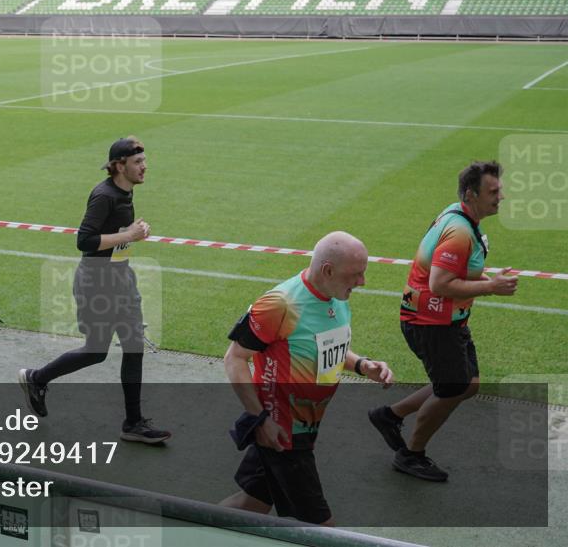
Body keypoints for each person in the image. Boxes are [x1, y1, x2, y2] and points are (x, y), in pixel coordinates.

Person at [221, 231, 394, 525]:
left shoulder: (336, 296)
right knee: (321, 530)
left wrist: (362, 365)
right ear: (328, 270)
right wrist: (260, 420)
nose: (362, 281)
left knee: (251, 503)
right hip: (282, 434)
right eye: (356, 274)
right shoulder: (280, 304)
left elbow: (321, 345)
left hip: (304, 427)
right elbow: (235, 358)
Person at [368, 161, 517, 483]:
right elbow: (439, 283)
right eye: (493, 191)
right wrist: (491, 287)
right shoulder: (459, 232)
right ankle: (411, 455)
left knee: (468, 384)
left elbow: (457, 269)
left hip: (448, 320)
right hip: (430, 323)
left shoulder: (460, 215)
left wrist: (488, 279)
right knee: (451, 388)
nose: (501, 197)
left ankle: (389, 416)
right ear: (471, 194)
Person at [18, 137, 171, 445]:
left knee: (134, 347)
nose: (145, 166)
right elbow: (85, 241)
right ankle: (36, 378)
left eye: (144, 160)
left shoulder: (125, 192)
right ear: (119, 166)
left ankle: (133, 423)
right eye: (138, 162)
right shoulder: (104, 195)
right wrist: (128, 235)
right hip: (97, 282)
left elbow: (115, 236)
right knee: (96, 351)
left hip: (121, 278)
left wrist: (131, 234)